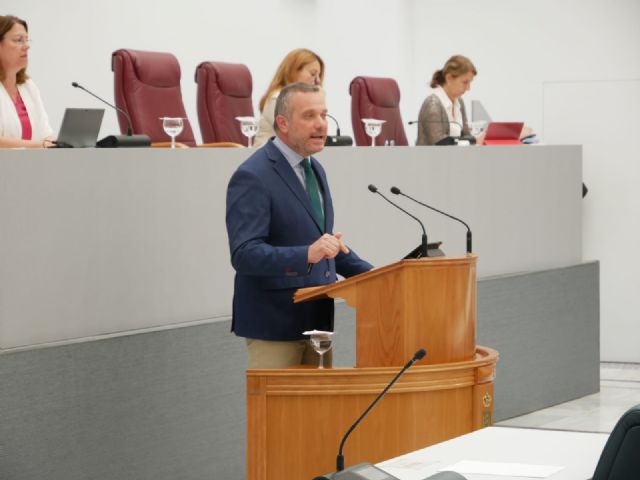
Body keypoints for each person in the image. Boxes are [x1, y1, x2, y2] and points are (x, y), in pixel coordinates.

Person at [226, 82, 372, 369]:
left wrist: (378, 276)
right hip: (275, 326)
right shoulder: (253, 176)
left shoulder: (314, 167)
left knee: (319, 415)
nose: (321, 125)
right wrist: (306, 254)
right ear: (283, 122)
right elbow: (244, 254)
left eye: (324, 115)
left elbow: (322, 242)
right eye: (309, 116)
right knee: (277, 415)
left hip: (317, 324)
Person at [0, 15, 54, 148]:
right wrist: (39, 144)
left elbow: (46, 133)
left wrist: (57, 144)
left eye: (27, 40)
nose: (27, 46)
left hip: (29, 166)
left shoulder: (28, 86)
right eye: (18, 40)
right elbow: (41, 143)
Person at [253, 48, 324, 148]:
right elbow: (297, 134)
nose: (318, 80)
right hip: (269, 159)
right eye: (313, 74)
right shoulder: (277, 98)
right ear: (293, 71)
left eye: (319, 75)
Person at [416, 55, 480, 146]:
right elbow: (439, 144)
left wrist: (476, 139)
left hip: (453, 158)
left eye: (470, 82)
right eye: (465, 82)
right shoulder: (432, 104)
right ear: (449, 78)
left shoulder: (459, 102)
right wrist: (473, 140)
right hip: (430, 159)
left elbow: (466, 135)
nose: (468, 88)